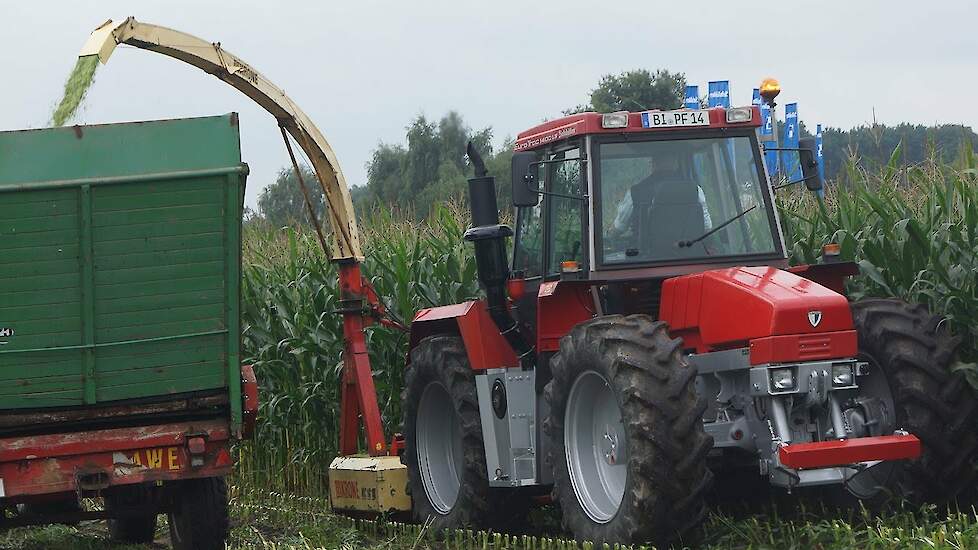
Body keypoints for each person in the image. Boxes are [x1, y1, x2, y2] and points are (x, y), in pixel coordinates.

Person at [610, 153, 712, 238]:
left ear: (653, 163)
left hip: (645, 259)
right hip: (690, 255)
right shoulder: (695, 189)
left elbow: (619, 228)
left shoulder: (635, 192)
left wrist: (608, 236)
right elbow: (707, 227)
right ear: (675, 162)